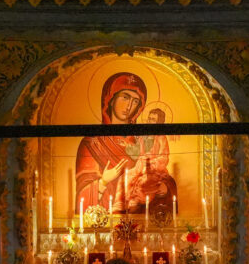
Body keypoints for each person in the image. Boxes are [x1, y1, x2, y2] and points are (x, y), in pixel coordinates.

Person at [74, 72, 176, 215]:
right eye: (125, 97)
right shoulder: (92, 143)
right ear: (110, 99)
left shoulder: (144, 137)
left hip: (141, 213)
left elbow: (161, 169)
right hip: (104, 219)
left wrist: (164, 187)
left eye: (135, 101)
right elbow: (82, 195)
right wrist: (103, 181)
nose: (129, 106)